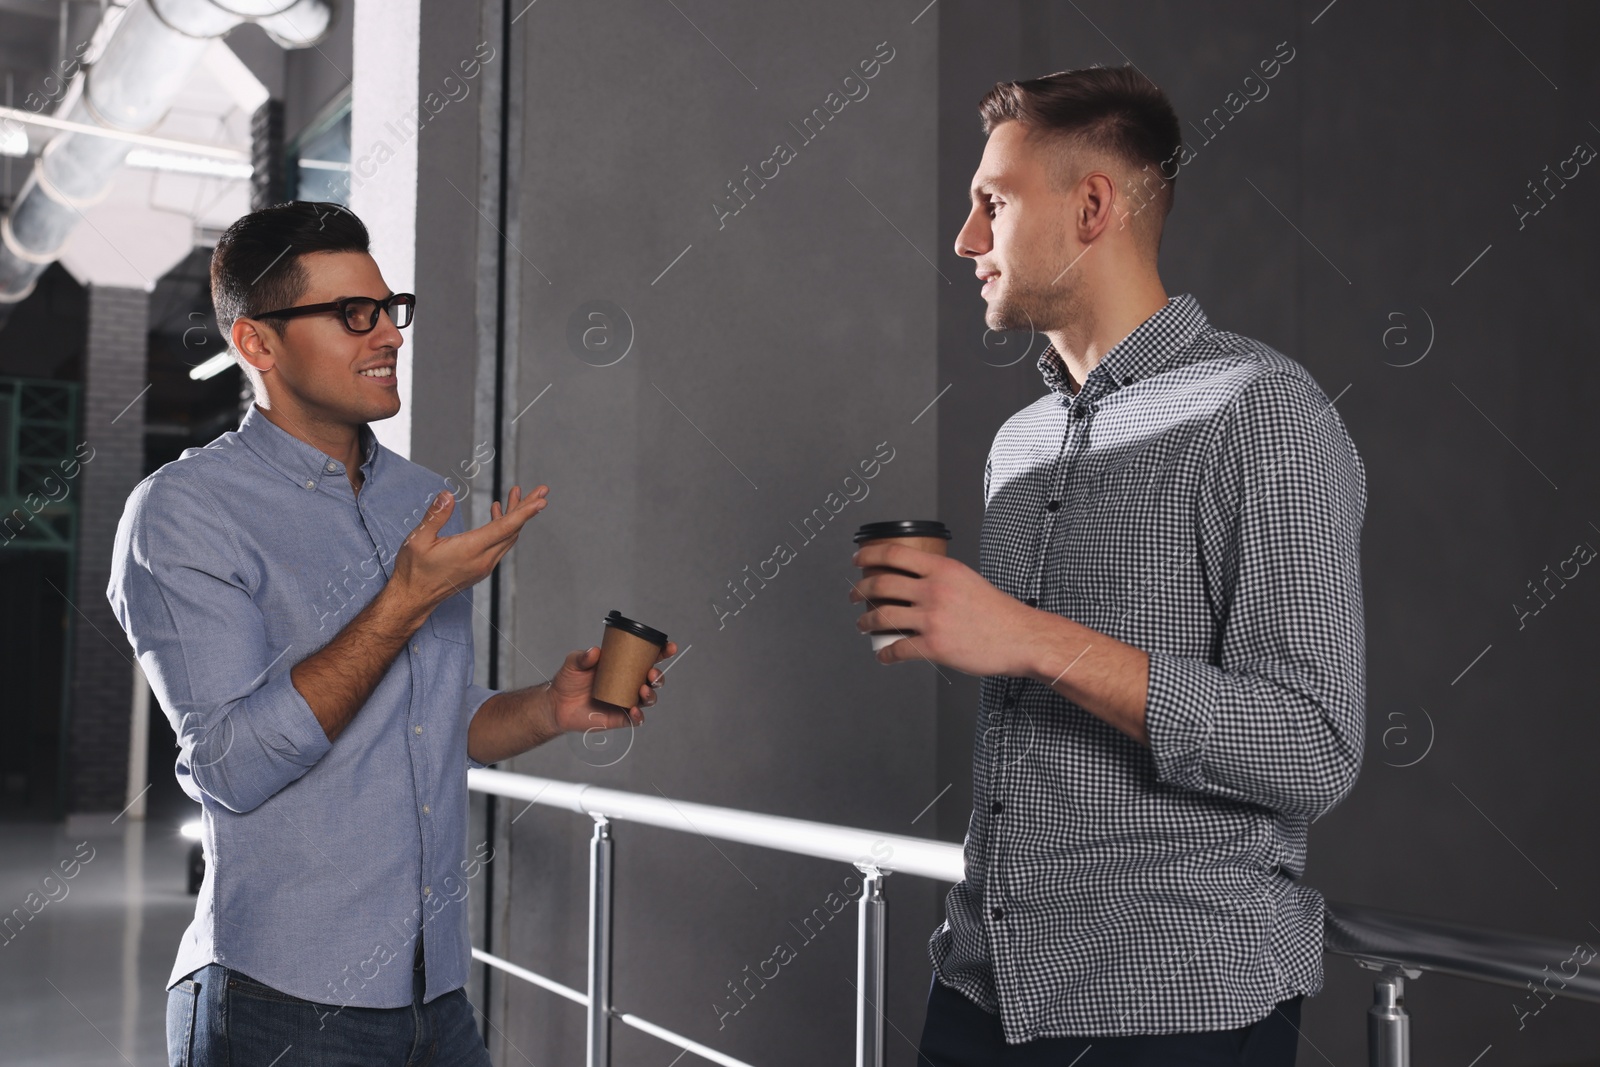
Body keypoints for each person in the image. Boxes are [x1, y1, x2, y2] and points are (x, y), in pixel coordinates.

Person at [849, 66, 1366, 1065]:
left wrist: (1029, 638)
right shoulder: (1020, 442)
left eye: (991, 204)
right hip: (977, 990)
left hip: (1173, 1015)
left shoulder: (1264, 413)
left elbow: (1313, 745)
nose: (964, 239)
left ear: (1091, 207)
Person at [107, 201, 677, 1066]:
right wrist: (402, 602)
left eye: (388, 308)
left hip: (434, 991)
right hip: (277, 1000)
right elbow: (231, 764)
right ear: (257, 344)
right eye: (350, 315)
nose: (389, 337)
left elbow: (428, 726)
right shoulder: (184, 512)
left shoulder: (420, 497)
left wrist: (551, 707)